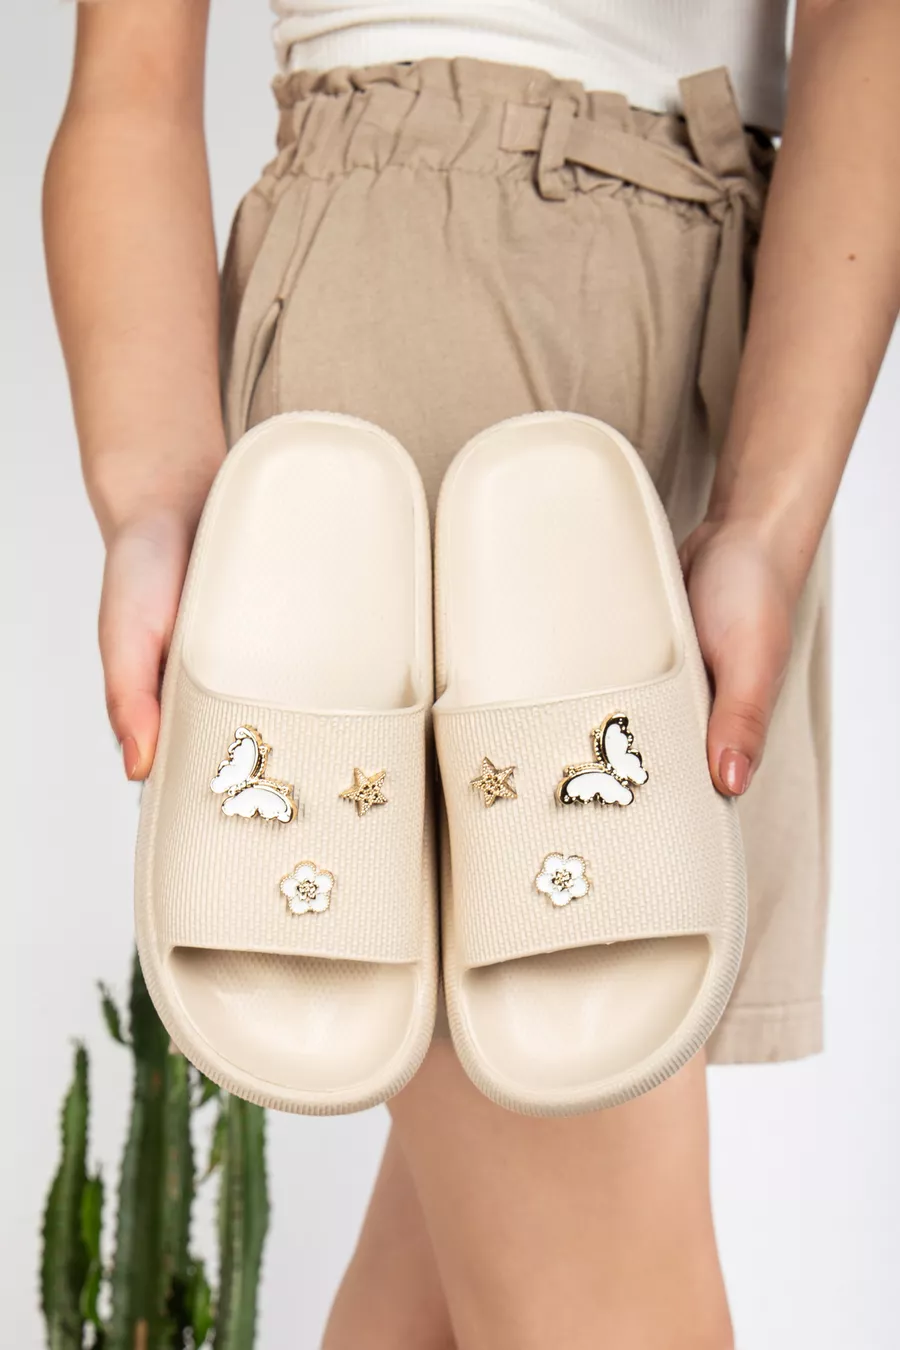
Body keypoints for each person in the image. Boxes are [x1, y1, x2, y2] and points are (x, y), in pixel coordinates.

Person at [44, 2, 900, 1346]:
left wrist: (767, 520)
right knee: (612, 1306)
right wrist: (154, 493)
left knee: (448, 1298)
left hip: (735, 321)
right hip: (434, 309)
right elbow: (133, 75)